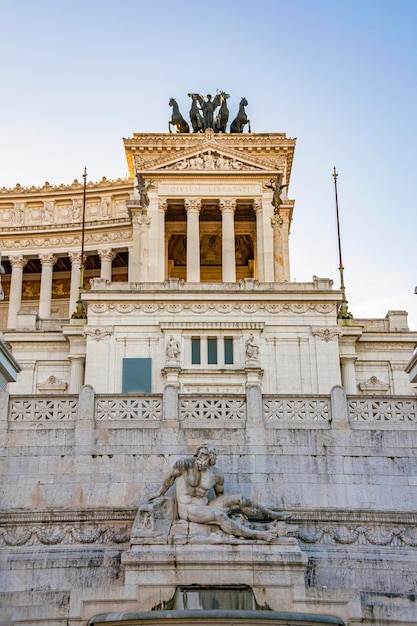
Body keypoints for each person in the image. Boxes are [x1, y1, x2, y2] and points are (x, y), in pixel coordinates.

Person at [148, 445, 291, 541]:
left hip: (205, 505)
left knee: (239, 499)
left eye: (205, 455)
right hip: (188, 509)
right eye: (200, 454)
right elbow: (169, 478)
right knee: (219, 516)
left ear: (211, 459)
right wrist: (158, 492)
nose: (201, 457)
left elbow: (221, 496)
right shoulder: (184, 464)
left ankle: (273, 515)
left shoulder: (216, 475)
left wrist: (230, 507)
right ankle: (258, 535)